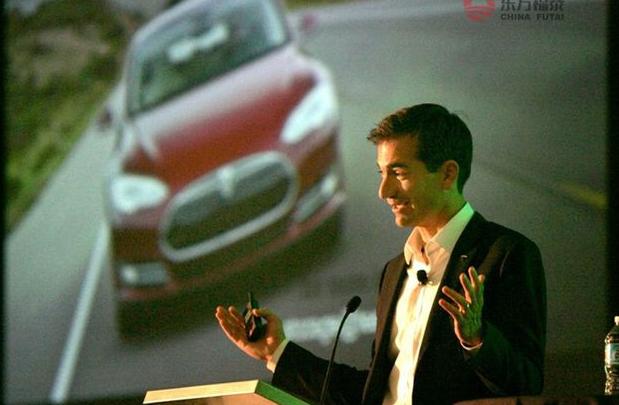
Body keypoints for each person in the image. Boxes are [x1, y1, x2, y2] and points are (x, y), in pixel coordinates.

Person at [215, 103, 546, 404]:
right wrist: (276, 351)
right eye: (381, 173)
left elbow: (526, 383)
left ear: (447, 173)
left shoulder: (505, 254)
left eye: (398, 173)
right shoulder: (395, 270)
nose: (384, 191)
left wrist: (477, 340)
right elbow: (373, 393)